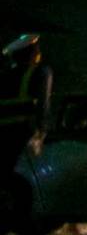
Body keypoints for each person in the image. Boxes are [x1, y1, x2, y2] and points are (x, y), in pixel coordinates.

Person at [0, 34, 51, 175]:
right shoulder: (42, 72)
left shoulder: (4, 75)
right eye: (37, 48)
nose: (39, 52)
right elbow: (43, 106)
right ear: (31, 53)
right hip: (24, 135)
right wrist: (42, 132)